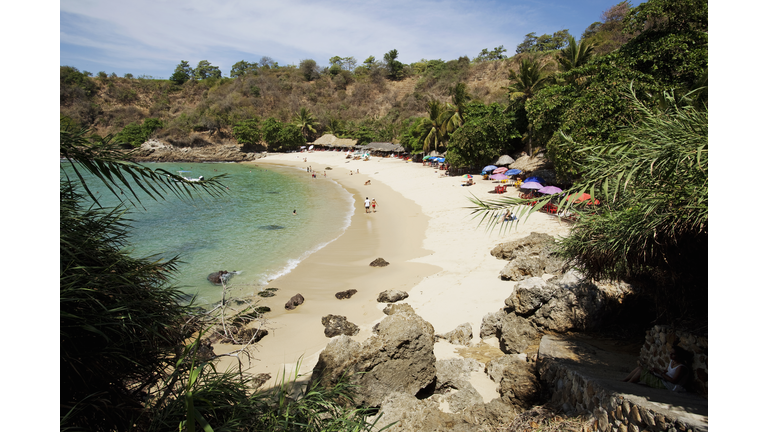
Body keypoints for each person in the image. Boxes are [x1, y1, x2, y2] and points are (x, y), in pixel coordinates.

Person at [622, 346, 689, 392]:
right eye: (670, 353)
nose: (670, 355)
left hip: (668, 386)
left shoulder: (681, 367)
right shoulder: (672, 361)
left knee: (641, 372)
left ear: (679, 356)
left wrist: (660, 373)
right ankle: (625, 380)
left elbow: (674, 381)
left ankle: (628, 384)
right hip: (664, 379)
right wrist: (656, 372)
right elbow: (666, 371)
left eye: (673, 354)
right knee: (640, 368)